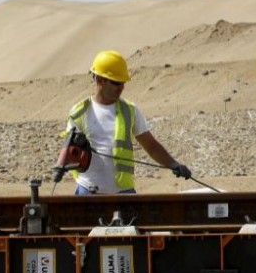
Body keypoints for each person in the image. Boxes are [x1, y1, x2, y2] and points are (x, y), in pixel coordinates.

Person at [58, 50, 191, 195]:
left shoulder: (130, 111)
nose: (121, 87)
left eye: (123, 82)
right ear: (100, 80)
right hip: (87, 191)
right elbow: (68, 153)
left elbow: (151, 146)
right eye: (116, 82)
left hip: (123, 192)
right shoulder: (79, 112)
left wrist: (173, 164)